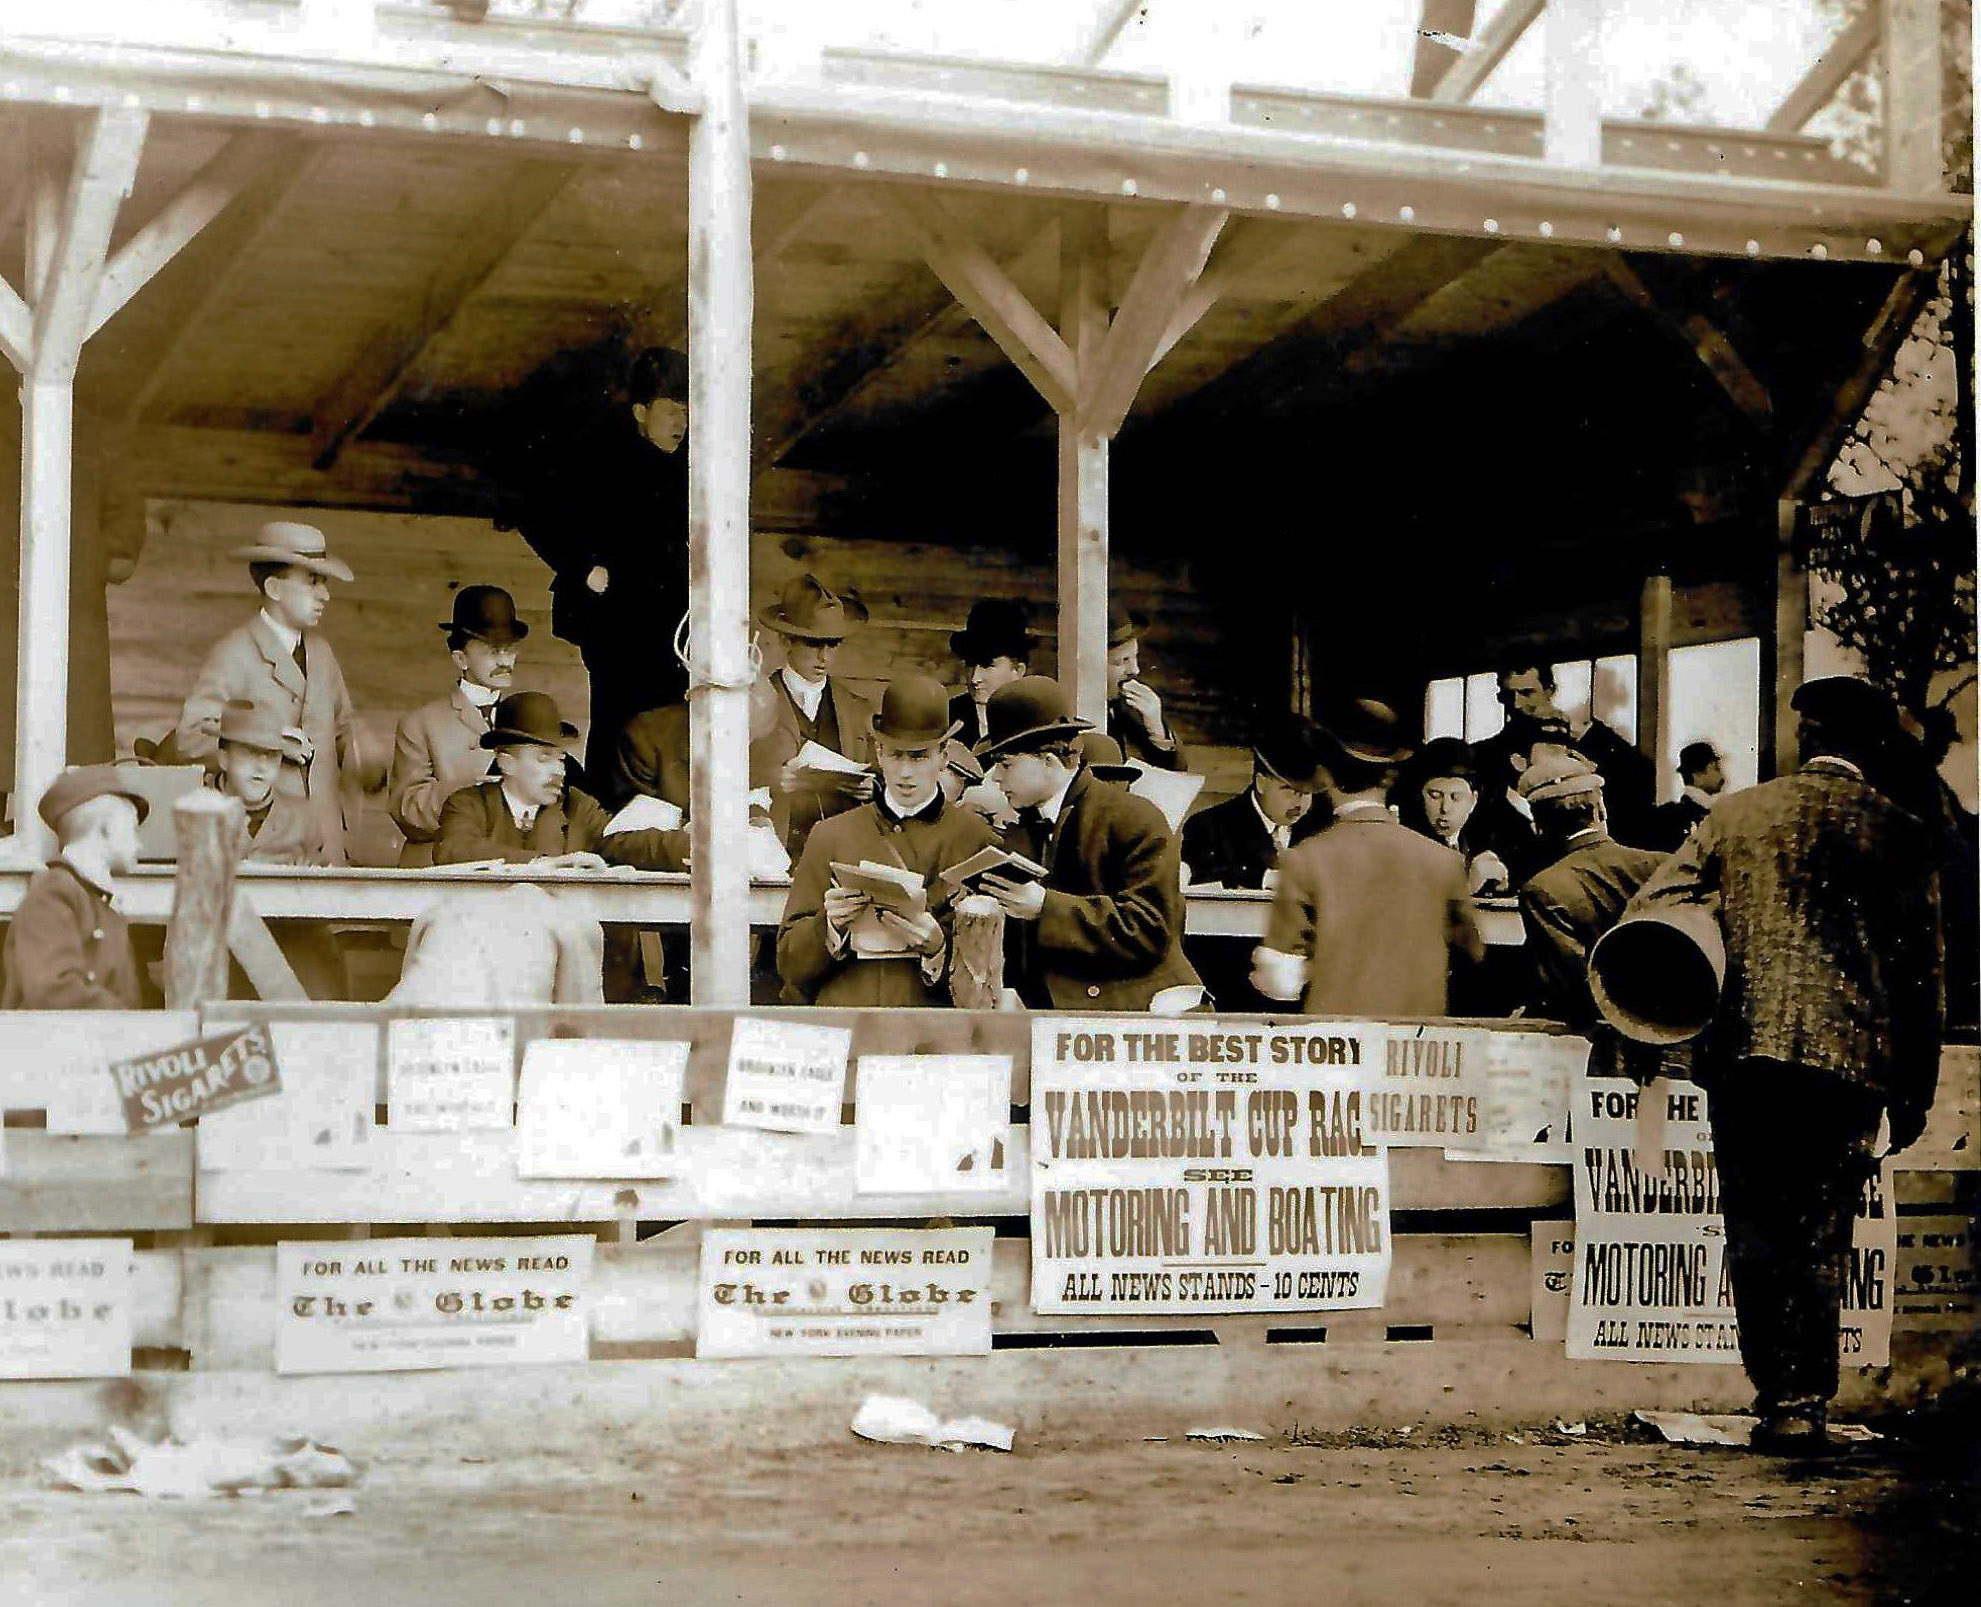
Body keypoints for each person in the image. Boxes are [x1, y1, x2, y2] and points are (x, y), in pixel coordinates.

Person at [1621, 676, 1944, 1454]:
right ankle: (1809, 1402)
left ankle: (1780, 1399)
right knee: (1821, 1230)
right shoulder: (1900, 833)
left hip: (1747, 1055)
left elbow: (1649, 909)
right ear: (1873, 745)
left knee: (1755, 1229)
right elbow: (1921, 977)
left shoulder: (1735, 814)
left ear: (1807, 737)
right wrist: (1914, 1090)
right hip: (1849, 1063)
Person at [499, 346, 692, 777]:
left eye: (686, 412)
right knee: (618, 722)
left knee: (671, 726)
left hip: (672, 627)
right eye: (671, 411)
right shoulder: (598, 459)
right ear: (641, 411)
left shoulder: (690, 469)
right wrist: (583, 566)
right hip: (616, 622)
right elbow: (533, 509)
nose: (681, 424)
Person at [975, 677, 1202, 1013]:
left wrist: (1045, 907)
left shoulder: (1132, 817)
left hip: (1141, 1018)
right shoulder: (1020, 832)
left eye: (1005, 763)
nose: (995, 777)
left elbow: (1149, 928)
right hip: (1057, 1021)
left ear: (1049, 761)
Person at [1252, 699, 1483, 1015]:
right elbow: (1472, 955)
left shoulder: (1304, 860)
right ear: (1389, 776)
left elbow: (1280, 983)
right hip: (1418, 1037)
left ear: (1326, 773)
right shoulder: (1444, 862)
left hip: (1337, 1039)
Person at [776, 676, 997, 1007]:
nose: (905, 772)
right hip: (847, 1022)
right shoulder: (830, 835)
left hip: (929, 1030)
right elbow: (788, 962)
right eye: (895, 755)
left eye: (919, 757)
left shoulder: (976, 839)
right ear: (879, 753)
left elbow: (992, 974)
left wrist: (938, 948)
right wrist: (830, 926)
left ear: (943, 756)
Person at [174, 521, 360, 865]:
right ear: (274, 588)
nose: (325, 595)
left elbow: (343, 734)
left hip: (326, 847)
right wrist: (271, 739)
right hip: (264, 847)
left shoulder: (322, 654)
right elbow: (190, 739)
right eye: (313, 581)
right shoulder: (234, 654)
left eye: (325, 583)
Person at [435, 692, 687, 871]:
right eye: (544, 759)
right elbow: (454, 849)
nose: (559, 771)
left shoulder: (578, 808)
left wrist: (693, 847)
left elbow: (622, 842)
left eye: (561, 759)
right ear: (506, 763)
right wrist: (541, 863)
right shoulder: (468, 804)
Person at [1513, 751, 1663, 1049]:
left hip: (1596, 1043)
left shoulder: (1542, 889)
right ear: (1600, 810)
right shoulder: (1663, 865)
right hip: (1670, 1030)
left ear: (1538, 826)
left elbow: (1567, 986)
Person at [390, 586, 528, 866]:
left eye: (511, 649)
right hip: (442, 869)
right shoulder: (420, 724)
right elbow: (407, 811)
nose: (505, 661)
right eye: (493, 651)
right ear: (460, 658)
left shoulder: (528, 718)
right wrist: (475, 787)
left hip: (511, 869)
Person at [748, 573, 878, 861]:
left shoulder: (858, 710)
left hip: (841, 857)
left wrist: (874, 788)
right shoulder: (752, 704)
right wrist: (773, 778)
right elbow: (723, 777)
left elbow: (884, 775)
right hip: (775, 854)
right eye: (812, 643)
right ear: (786, 639)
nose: (824, 657)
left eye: (832, 644)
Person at [2, 767, 148, 1010]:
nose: (139, 845)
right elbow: (54, 992)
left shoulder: (97, 901)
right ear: (108, 828)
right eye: (132, 830)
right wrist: (131, 1024)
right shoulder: (52, 898)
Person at [1483, 655, 1656, 846]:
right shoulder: (1488, 754)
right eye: (1508, 696)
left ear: (1550, 691)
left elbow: (1642, 777)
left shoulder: (1590, 741)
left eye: (1527, 693)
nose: (1516, 704)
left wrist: (1592, 739)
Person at [1180, 713, 1324, 890]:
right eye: (1290, 790)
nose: (1300, 803)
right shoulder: (1208, 827)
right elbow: (1199, 878)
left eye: (1307, 793)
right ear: (1261, 783)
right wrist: (1266, 879)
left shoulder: (1322, 827)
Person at [211, 699, 326, 865]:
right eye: (250, 752)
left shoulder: (303, 820)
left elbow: (320, 875)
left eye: (272, 755)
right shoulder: (193, 812)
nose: (262, 767)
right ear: (224, 758)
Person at [1398, 736, 1511, 895]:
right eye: (1435, 796)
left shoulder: (1476, 842)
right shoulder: (1404, 845)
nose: (1445, 808)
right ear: (1419, 796)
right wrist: (1469, 885)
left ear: (1473, 801)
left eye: (1456, 798)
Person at [1105, 603, 1186, 771]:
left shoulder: (1126, 707)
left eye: (1135, 657)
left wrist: (1156, 729)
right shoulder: (1069, 709)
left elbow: (1173, 771)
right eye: (1122, 661)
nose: (1135, 670)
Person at [949, 599, 1037, 749]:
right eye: (970, 664)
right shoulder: (948, 718)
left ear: (1018, 671)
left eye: (987, 665)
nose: (975, 678)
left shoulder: (1036, 723)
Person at [1647, 739, 1726, 850]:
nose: (1722, 776)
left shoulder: (1717, 811)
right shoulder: (1674, 817)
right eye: (1716, 769)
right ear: (1698, 773)